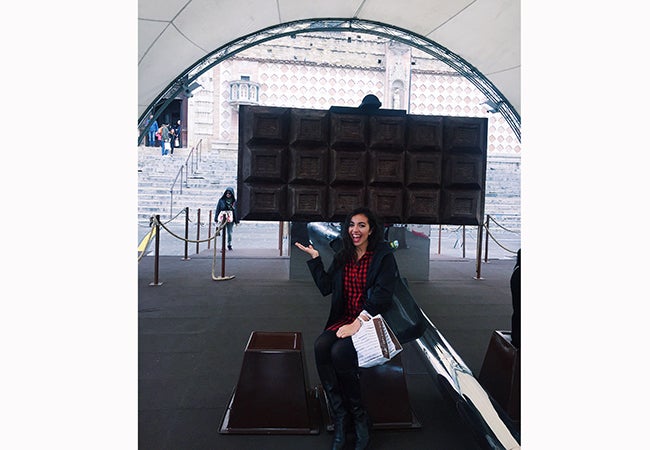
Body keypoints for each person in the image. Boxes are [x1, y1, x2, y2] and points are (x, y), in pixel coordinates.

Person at [294, 207, 399, 450]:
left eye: (361, 225)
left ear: (371, 229)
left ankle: (359, 416)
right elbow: (326, 287)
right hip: (345, 320)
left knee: (340, 352)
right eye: (351, 225)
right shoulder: (343, 254)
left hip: (370, 322)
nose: (355, 230)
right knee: (321, 346)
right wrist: (316, 259)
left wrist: (357, 323)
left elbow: (383, 296)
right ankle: (341, 417)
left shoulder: (383, 256)